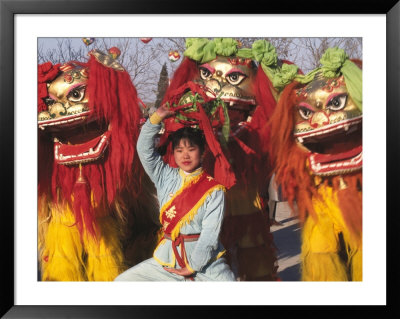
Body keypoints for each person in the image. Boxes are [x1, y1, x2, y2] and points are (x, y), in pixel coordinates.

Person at [114, 105, 236, 281]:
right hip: (167, 258)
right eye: (179, 150)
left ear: (202, 152)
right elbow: (144, 150)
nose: (185, 155)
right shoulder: (164, 175)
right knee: (123, 282)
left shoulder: (214, 190)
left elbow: (210, 234)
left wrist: (193, 266)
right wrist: (156, 118)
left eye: (191, 149)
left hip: (206, 263)